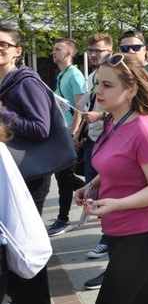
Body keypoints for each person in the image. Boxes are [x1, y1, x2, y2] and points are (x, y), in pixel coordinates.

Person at [74, 53, 148, 303]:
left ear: (131, 89)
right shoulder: (113, 121)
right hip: (116, 228)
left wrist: (117, 203)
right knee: (146, 299)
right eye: (97, 84)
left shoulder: (144, 129)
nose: (98, 91)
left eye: (107, 85)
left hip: (142, 231)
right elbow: (117, 166)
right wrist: (91, 186)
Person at [0, 24, 52, 302]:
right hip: (11, 175)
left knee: (24, 241)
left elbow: (40, 129)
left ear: (18, 51)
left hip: (29, 176)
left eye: (3, 44)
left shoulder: (25, 82)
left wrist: (2, 112)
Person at [79, 34, 114, 274]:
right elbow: (84, 105)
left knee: (110, 189)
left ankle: (108, 238)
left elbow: (128, 111)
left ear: (110, 51)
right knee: (95, 188)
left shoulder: (116, 73)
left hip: (111, 138)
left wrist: (100, 116)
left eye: (98, 51)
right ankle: (108, 236)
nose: (93, 54)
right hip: (94, 138)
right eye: (91, 50)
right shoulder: (92, 76)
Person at [48, 38, 88, 237]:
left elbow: (80, 106)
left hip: (69, 134)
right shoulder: (62, 74)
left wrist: (74, 132)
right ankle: (95, 190)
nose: (53, 52)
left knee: (64, 178)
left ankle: (64, 219)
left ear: (69, 53)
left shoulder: (74, 75)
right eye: (53, 49)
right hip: (62, 132)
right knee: (63, 176)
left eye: (58, 49)